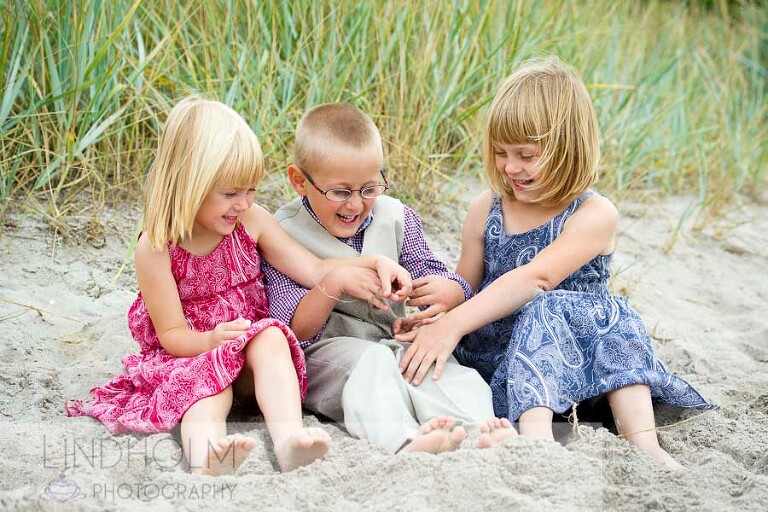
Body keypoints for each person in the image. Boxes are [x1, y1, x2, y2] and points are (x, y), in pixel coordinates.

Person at [395, 56, 715, 467]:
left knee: (607, 315)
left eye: (526, 155)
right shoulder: (485, 209)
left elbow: (539, 277)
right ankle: (533, 437)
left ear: (568, 146)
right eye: (500, 152)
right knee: (520, 311)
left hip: (586, 366)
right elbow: (468, 281)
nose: (511, 167)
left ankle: (643, 443)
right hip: (505, 363)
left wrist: (454, 323)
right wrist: (446, 300)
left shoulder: (594, 213)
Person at [66, 97, 411, 475]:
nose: (243, 203)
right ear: (188, 185)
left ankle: (289, 440)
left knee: (272, 338)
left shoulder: (252, 220)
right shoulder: (156, 248)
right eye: (230, 194)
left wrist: (370, 262)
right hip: (192, 355)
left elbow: (312, 268)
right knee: (208, 389)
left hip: (249, 355)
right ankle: (208, 453)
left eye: (251, 191)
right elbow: (171, 335)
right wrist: (211, 342)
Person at [263, 102, 517, 455]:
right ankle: (401, 439)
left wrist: (447, 292)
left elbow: (438, 277)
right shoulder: (282, 233)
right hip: (328, 354)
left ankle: (478, 429)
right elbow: (294, 330)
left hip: (392, 341)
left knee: (440, 369)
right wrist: (333, 283)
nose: (355, 204)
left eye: (369, 188)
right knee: (373, 369)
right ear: (299, 182)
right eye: (340, 192)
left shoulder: (396, 217)